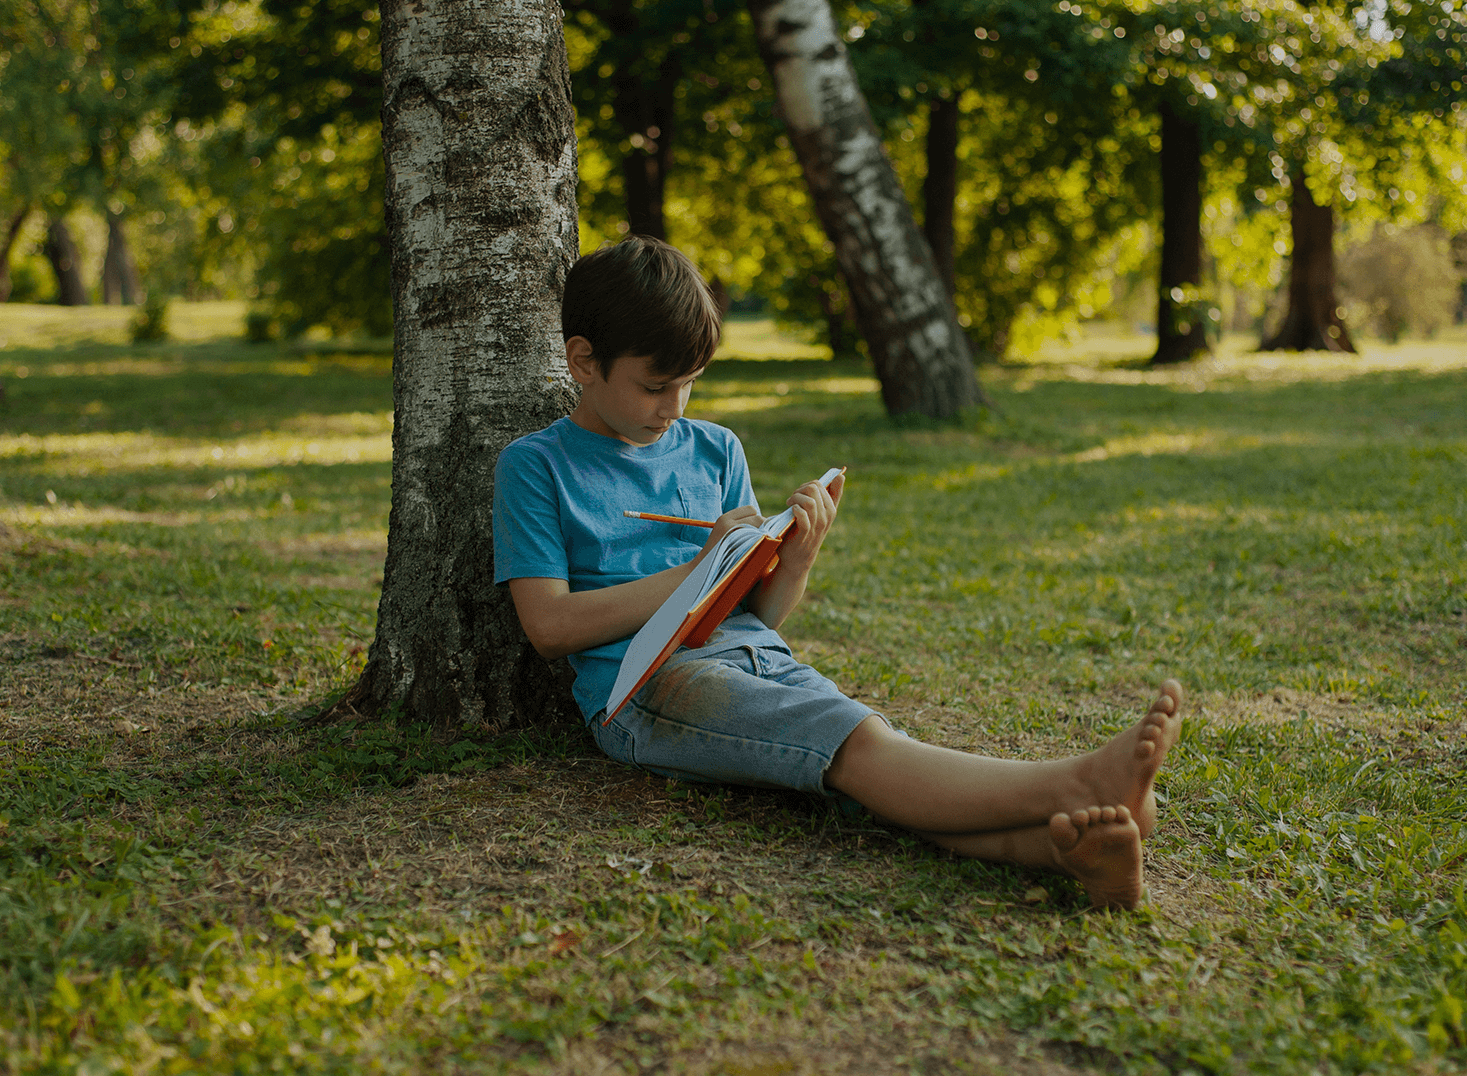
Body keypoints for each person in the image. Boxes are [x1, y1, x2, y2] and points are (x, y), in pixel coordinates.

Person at [493, 237, 1183, 909]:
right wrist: (695, 570)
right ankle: (1073, 784)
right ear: (583, 361)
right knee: (851, 742)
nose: (674, 407)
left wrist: (793, 559)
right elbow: (549, 627)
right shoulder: (536, 465)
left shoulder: (714, 448)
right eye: (655, 386)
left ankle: (1063, 851)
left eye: (689, 383)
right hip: (642, 687)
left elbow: (752, 615)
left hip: (752, 653)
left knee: (854, 758)